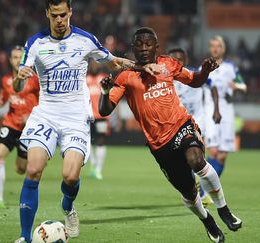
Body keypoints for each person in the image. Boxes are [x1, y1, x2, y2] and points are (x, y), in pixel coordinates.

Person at [12, 1, 148, 242]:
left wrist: (143, 67)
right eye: (54, 15)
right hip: (47, 114)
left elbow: (114, 61)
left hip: (75, 116)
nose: (60, 19)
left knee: (70, 176)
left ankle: (68, 206)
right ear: (47, 14)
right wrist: (18, 78)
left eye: (63, 14)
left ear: (70, 12)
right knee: (33, 170)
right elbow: (18, 83)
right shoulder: (35, 42)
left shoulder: (85, 40)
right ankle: (24, 237)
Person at [99, 27, 242, 243]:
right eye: (140, 44)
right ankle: (207, 220)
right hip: (159, 144)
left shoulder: (168, 64)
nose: (145, 48)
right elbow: (105, 110)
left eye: (149, 44)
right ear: (133, 48)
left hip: (181, 125)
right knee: (188, 192)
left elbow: (194, 80)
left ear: (157, 47)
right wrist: (105, 92)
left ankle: (224, 210)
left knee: (196, 160)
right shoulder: (126, 77)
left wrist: (204, 71)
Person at [0, 46, 40, 209]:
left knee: (20, 169)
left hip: (28, 129)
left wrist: (32, 116)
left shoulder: (35, 79)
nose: (17, 60)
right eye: (15, 57)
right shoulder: (6, 80)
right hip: (10, 124)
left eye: (20, 57)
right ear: (10, 60)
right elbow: (4, 96)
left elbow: (45, 101)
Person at [169, 47, 214, 206]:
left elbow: (211, 84)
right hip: (177, 125)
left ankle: (203, 193)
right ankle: (196, 191)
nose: (177, 62)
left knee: (198, 158)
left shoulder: (194, 74)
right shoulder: (165, 78)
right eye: (174, 59)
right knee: (185, 160)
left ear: (186, 60)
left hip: (198, 123)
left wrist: (216, 109)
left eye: (180, 59)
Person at [206, 36, 247, 177]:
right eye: (213, 46)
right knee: (213, 152)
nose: (215, 48)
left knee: (222, 156)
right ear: (210, 49)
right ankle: (204, 189)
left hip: (227, 110)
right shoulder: (204, 67)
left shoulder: (230, 68)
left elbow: (243, 86)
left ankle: (209, 187)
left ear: (223, 49)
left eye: (218, 46)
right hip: (210, 110)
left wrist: (237, 86)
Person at [86, 62, 110, 180]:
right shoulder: (85, 79)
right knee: (86, 141)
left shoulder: (104, 78)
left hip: (101, 116)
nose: (95, 67)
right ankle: (93, 164)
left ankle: (99, 169)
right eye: (93, 65)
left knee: (101, 140)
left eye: (96, 64)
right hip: (88, 116)